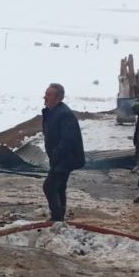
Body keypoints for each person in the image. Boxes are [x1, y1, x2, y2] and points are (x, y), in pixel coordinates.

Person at [41, 83, 85, 222]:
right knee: (59, 187)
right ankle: (60, 215)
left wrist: (56, 154)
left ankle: (57, 218)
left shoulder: (64, 114)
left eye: (49, 94)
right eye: (46, 93)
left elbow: (69, 139)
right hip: (60, 157)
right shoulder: (52, 112)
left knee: (49, 187)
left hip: (65, 158)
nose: (45, 97)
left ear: (58, 98)